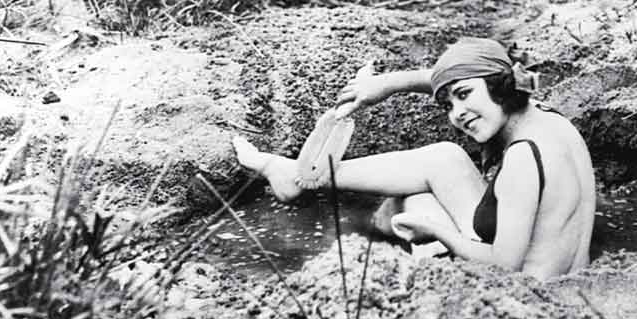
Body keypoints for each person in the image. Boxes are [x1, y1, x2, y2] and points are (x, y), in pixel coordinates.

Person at [232, 38, 596, 280]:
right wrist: (387, 84)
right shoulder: (549, 121)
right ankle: (299, 175)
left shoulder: (522, 158)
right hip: (569, 279)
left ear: (499, 84)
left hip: (529, 296)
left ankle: (299, 180)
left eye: (465, 96)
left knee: (419, 205)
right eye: (448, 105)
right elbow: (459, 76)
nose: (458, 114)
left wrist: (437, 231)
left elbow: (504, 266)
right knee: (445, 158)